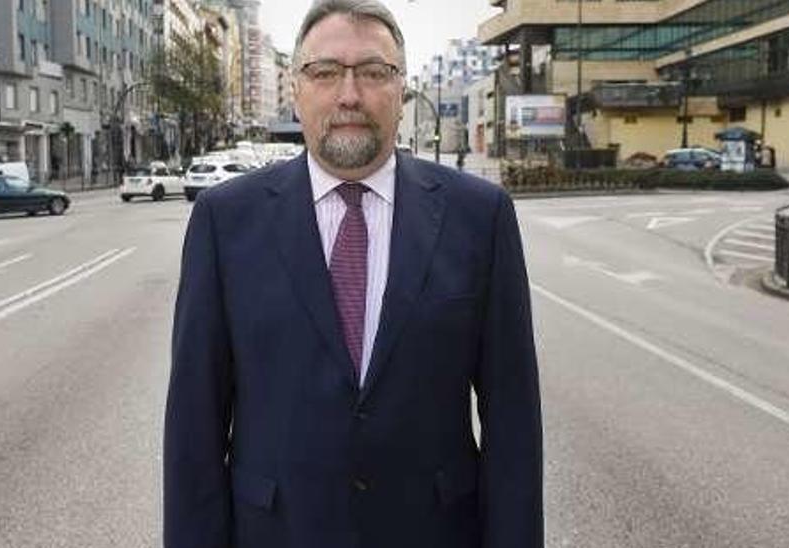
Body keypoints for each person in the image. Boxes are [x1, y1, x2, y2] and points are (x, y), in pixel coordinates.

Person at [164, 1, 543, 547]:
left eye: (373, 72)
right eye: (324, 72)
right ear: (296, 89)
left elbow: (514, 420)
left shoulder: (479, 216)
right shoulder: (225, 220)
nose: (349, 94)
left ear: (402, 90)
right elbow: (194, 429)